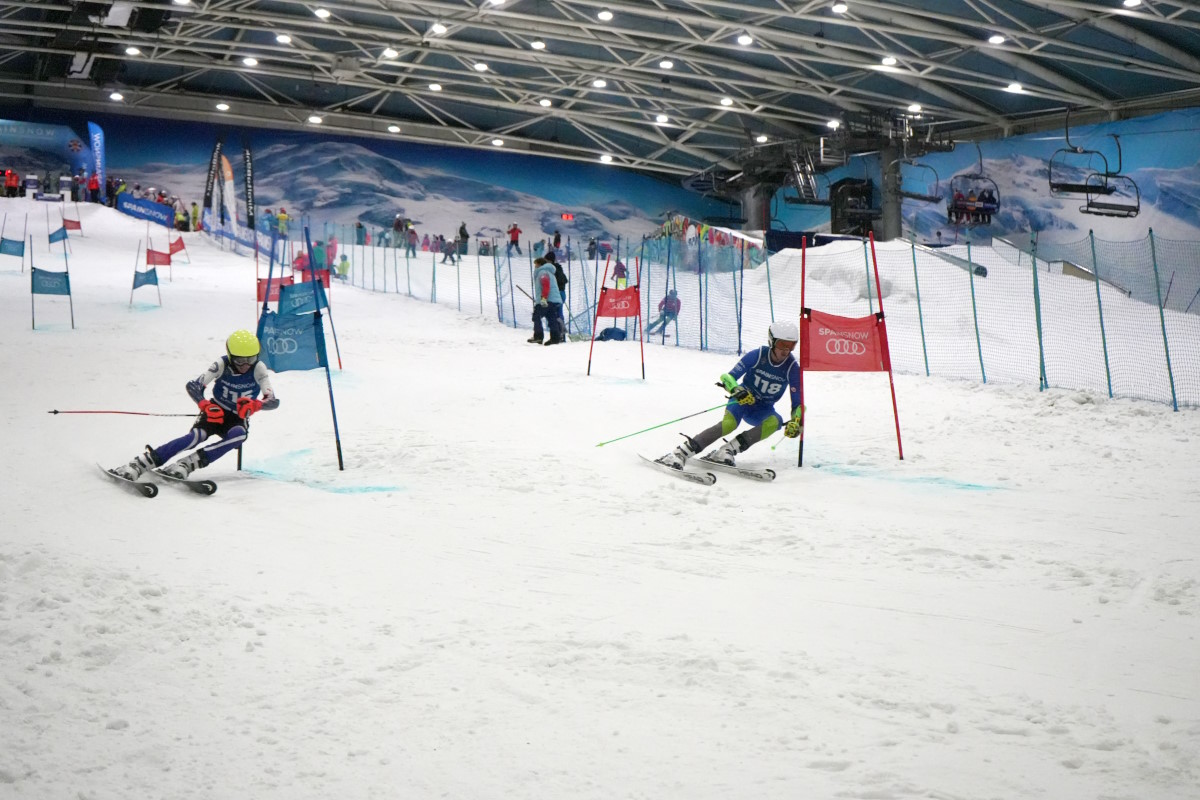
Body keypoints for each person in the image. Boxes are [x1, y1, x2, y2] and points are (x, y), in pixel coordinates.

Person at [109, 330, 280, 480]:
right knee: (196, 436)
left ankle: (188, 463)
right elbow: (194, 385)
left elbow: (272, 400)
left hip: (238, 417)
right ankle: (142, 463)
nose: (245, 365)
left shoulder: (258, 368)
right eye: (240, 360)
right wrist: (204, 404)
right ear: (230, 356)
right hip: (216, 411)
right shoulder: (222, 364)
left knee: (239, 435)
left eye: (250, 359)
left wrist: (256, 405)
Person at [655, 321, 804, 469]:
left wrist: (796, 421)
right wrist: (737, 391)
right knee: (729, 425)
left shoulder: (792, 368)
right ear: (772, 341)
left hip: (762, 409)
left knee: (775, 421)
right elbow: (728, 377)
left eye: (791, 345)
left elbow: (798, 404)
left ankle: (727, 451)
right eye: (782, 344)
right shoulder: (758, 355)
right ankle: (681, 452)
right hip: (742, 401)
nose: (786, 350)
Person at [528, 257, 564, 345]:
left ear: (540, 264)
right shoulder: (550, 272)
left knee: (536, 316)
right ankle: (555, 338)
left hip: (546, 300)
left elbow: (546, 285)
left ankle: (538, 336)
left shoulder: (542, 272)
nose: (535, 266)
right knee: (552, 318)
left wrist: (543, 298)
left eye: (536, 264)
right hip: (554, 300)